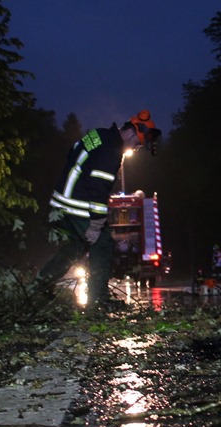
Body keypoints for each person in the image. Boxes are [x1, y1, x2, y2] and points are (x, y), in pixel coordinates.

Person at [37, 110, 161, 307]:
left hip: (61, 202)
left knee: (76, 246)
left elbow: (72, 152)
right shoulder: (111, 151)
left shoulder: (99, 135)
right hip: (76, 204)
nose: (136, 149)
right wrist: (96, 224)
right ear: (130, 132)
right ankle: (99, 300)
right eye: (137, 144)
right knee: (103, 243)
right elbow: (98, 189)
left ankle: (40, 285)